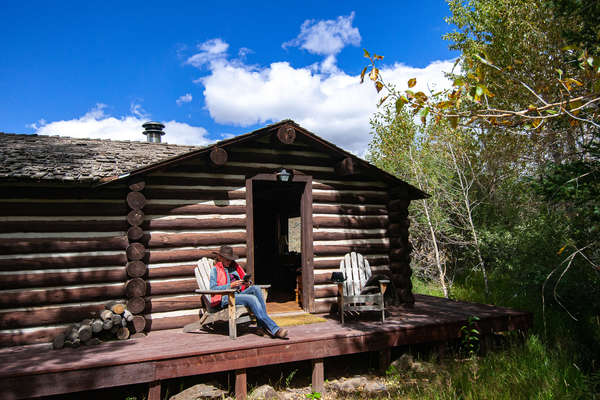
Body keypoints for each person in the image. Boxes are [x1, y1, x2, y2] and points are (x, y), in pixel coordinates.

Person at [209, 245, 288, 339]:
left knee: (256, 288)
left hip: (237, 294)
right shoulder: (215, 270)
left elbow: (244, 279)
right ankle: (274, 329)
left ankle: (261, 326)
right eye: (227, 260)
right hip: (226, 298)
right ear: (220, 258)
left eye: (230, 259)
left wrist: (247, 283)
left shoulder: (234, 267)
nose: (229, 262)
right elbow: (213, 288)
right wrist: (230, 285)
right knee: (251, 299)